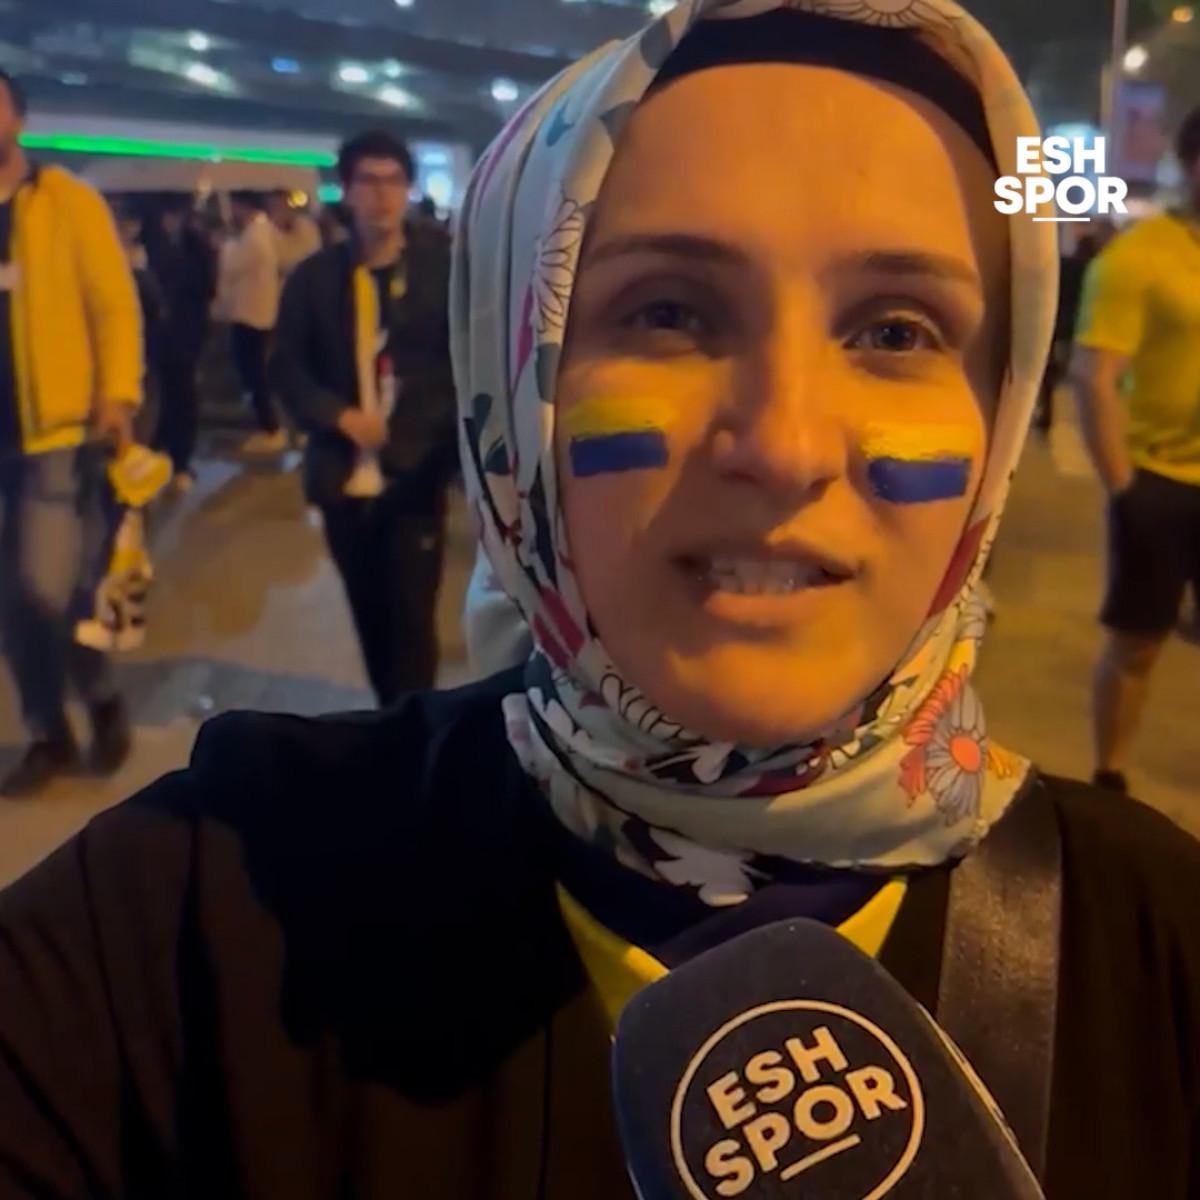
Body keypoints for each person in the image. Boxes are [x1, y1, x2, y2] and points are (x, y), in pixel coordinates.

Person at [1, 7, 1199, 1197]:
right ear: (515, 383)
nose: (785, 447)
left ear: (1000, 409)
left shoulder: (1159, 944)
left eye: (896, 330)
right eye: (668, 314)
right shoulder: (197, 916)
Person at [271, 130, 456, 705]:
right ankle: (389, 714)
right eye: (368, 181)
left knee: (413, 624)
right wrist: (337, 415)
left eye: (393, 181)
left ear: (408, 189)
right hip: (340, 475)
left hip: (414, 476)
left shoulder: (442, 272)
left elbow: (458, 366)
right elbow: (287, 367)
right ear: (346, 191)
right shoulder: (314, 279)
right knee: (370, 616)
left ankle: (413, 731)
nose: (381, 195)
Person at [0, 70, 142, 796]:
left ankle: (101, 696)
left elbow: (113, 304)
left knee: (49, 589)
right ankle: (47, 733)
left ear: (17, 118)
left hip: (55, 435)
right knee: (11, 601)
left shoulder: (65, 202)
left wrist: (118, 393)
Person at [1071, 108, 1200, 795]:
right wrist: (1125, 489)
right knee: (1136, 644)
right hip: (1160, 482)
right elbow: (1093, 376)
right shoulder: (1139, 258)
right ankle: (1111, 776)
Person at [144, 193, 217, 490]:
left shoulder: (197, 246)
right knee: (160, 394)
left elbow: (207, 286)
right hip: (157, 334)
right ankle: (159, 447)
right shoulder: (148, 243)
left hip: (186, 331)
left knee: (183, 394)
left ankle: (180, 458)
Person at [1034, 219, 1115, 432]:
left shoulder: (1064, 264)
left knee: (1050, 367)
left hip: (1055, 320)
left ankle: (1046, 408)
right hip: (1078, 323)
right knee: (1066, 365)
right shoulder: (1095, 270)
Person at [220, 190, 283, 454]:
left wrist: (225, 244)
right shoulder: (263, 232)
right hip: (258, 312)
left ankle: (270, 428)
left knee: (254, 372)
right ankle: (267, 424)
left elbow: (231, 265)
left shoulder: (254, 236)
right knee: (254, 371)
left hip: (251, 314)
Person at [266, 188, 321, 281]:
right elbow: (274, 264)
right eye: (275, 207)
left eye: (283, 206)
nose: (281, 211)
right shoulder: (266, 233)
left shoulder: (308, 227)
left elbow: (313, 255)